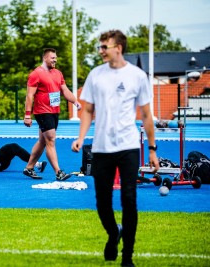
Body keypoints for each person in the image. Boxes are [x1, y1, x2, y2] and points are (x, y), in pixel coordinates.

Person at [71, 30, 159, 267]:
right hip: (101, 147)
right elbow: (87, 110)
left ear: (118, 47)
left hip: (128, 146)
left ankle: (127, 257)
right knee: (102, 202)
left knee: (129, 199)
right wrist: (81, 138)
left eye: (104, 47)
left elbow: (147, 115)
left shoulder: (137, 76)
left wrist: (152, 149)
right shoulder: (95, 75)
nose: (100, 51)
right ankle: (113, 233)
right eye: (99, 47)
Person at [23, 48, 81, 181]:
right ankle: (58, 172)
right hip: (43, 111)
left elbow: (65, 90)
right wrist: (27, 115)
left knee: (43, 141)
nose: (55, 60)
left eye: (56, 57)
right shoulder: (36, 74)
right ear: (45, 58)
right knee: (51, 140)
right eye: (52, 58)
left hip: (54, 111)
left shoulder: (58, 73)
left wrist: (75, 102)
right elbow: (30, 95)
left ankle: (29, 168)